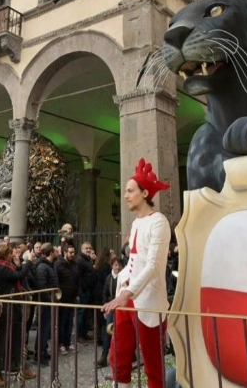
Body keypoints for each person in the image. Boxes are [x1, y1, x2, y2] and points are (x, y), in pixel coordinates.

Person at [103, 158, 171, 388]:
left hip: (148, 299)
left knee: (152, 361)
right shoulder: (135, 224)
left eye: (130, 191)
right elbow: (132, 261)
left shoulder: (159, 222)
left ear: (144, 193)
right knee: (118, 356)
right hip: (128, 297)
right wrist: (121, 286)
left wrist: (126, 293)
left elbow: (152, 265)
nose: (125, 196)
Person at [0, 242, 35, 386]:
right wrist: (27, 262)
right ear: (4, 255)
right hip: (6, 308)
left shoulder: (6, 267)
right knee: (4, 339)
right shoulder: (1, 268)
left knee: (17, 338)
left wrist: (19, 264)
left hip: (13, 307)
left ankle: (22, 367)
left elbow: (17, 275)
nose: (12, 255)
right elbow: (18, 275)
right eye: (10, 254)